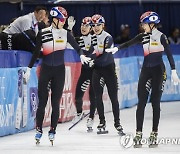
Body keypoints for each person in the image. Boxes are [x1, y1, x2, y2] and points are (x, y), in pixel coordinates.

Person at [106, 11, 180, 147]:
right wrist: (117, 49)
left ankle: (154, 133)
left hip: (159, 71)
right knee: (141, 103)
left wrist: (174, 70)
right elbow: (129, 43)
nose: (142, 26)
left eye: (144, 24)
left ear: (152, 24)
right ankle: (138, 133)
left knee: (155, 102)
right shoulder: (143, 36)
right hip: (146, 71)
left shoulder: (162, 37)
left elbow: (169, 54)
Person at [23, 6, 91, 145]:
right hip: (46, 70)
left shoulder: (66, 33)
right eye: (61, 20)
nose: (63, 22)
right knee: (42, 103)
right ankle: (39, 130)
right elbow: (36, 52)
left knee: (55, 103)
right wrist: (29, 69)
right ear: (54, 19)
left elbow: (77, 47)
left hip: (59, 71)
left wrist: (82, 56)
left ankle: (53, 130)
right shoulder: (43, 33)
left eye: (64, 20)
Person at [89, 14, 125, 135]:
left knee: (113, 97)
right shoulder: (92, 38)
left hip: (109, 69)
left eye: (98, 25)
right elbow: (90, 53)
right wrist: (88, 58)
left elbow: (104, 57)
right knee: (97, 96)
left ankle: (117, 123)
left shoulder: (108, 37)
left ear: (103, 25)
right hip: (97, 70)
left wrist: (92, 61)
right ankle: (102, 121)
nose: (96, 27)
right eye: (94, 25)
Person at [71, 17, 97, 132]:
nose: (83, 27)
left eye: (86, 26)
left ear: (91, 28)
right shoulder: (79, 39)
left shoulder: (96, 39)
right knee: (78, 95)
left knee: (93, 95)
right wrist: (69, 29)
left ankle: (91, 117)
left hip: (95, 71)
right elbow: (69, 42)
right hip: (85, 71)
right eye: (82, 25)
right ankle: (79, 113)